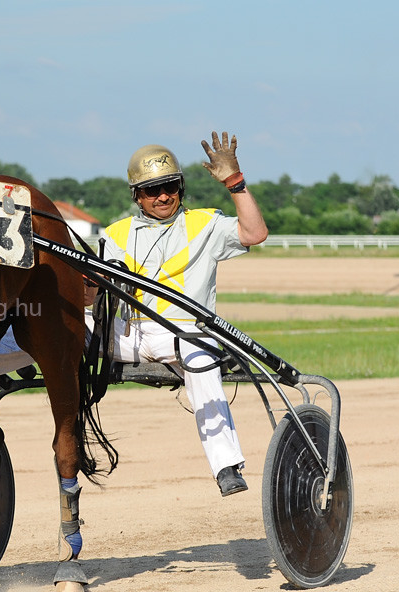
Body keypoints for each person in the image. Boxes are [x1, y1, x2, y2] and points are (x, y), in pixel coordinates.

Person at [86, 132, 268, 496]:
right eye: (152, 190)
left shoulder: (205, 224)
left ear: (181, 187)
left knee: (201, 357)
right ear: (137, 195)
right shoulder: (115, 235)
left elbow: (255, 232)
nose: (163, 196)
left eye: (170, 186)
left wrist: (235, 182)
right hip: (129, 335)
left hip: (185, 334)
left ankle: (226, 465)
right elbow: (90, 297)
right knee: (62, 325)